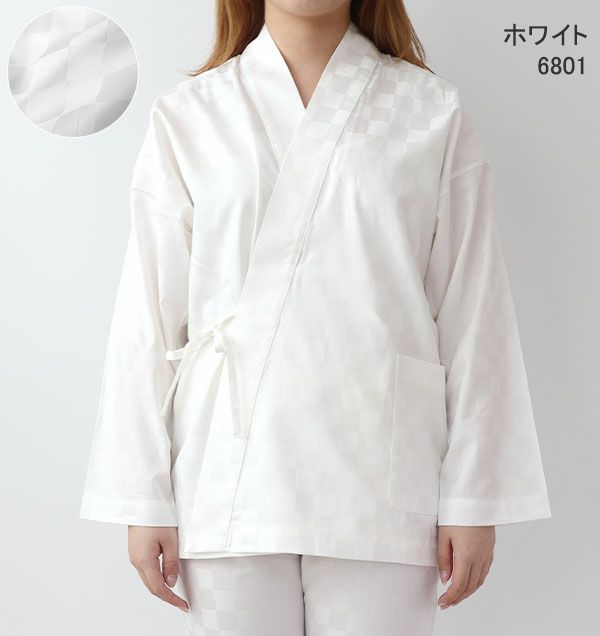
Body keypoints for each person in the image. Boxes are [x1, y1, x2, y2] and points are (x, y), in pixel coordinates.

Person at [79, 1, 552, 633]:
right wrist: (143, 496)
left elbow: (474, 309)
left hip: (381, 465)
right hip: (228, 470)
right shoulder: (189, 114)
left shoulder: (431, 110)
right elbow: (148, 314)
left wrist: (473, 497)